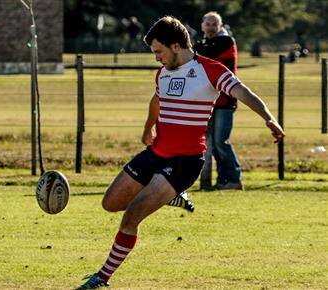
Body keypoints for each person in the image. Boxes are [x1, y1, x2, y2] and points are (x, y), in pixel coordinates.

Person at [75, 15, 285, 289]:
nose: (156, 58)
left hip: (184, 162)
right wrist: (148, 128)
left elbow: (244, 92)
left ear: (176, 46)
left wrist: (269, 118)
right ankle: (170, 198)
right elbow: (157, 101)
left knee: (131, 216)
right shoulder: (162, 73)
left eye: (158, 51)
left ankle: (102, 276)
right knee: (110, 203)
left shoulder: (210, 70)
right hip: (156, 153)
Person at [193, 11, 242, 190]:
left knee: (221, 142)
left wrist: (196, 51)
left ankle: (234, 178)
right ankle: (223, 180)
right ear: (202, 25)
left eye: (215, 24)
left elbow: (205, 58)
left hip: (225, 100)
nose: (211, 27)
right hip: (208, 100)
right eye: (208, 23)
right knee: (211, 143)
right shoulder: (202, 45)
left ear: (220, 26)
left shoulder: (226, 42)